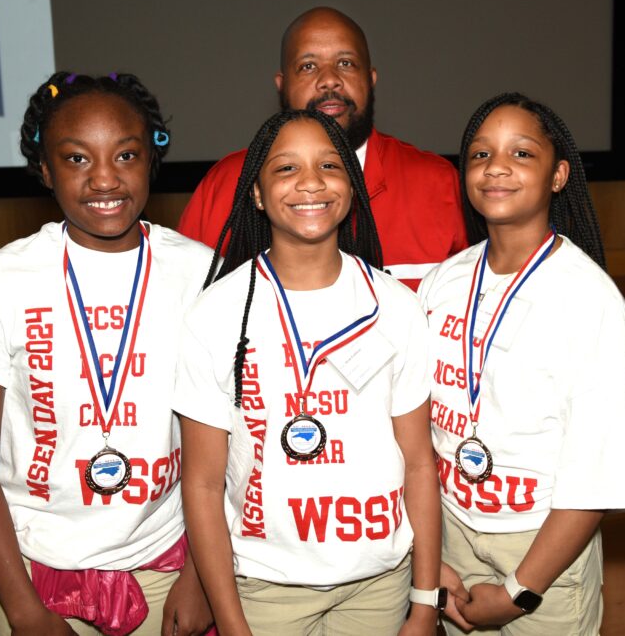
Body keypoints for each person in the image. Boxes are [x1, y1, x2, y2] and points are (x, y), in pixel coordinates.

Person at [0, 72, 213, 636]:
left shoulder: (200, 273)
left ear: (152, 159)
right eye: (77, 159)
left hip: (167, 564)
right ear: (45, 169)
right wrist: (24, 608)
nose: (105, 178)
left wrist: (201, 575)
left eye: (125, 154)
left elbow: (228, 444)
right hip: (33, 567)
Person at [174, 109, 443, 635]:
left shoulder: (394, 306)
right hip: (265, 586)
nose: (311, 183)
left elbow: (418, 465)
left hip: (379, 582)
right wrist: (232, 624)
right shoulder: (217, 312)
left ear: (352, 185)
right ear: (255, 193)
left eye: (329, 166)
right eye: (286, 169)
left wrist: (424, 602)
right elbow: (203, 485)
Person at [419, 93, 625, 635]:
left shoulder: (588, 299)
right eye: (480, 155)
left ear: (558, 176)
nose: (496, 167)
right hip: (452, 534)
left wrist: (518, 591)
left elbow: (596, 473)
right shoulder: (443, 282)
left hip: (540, 551)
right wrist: (428, 555)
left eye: (521, 154)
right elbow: (414, 430)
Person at [176, 6, 466, 291]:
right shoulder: (226, 183)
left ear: (371, 79)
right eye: (308, 66)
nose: (329, 79)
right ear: (282, 85)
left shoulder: (438, 183)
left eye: (346, 63)